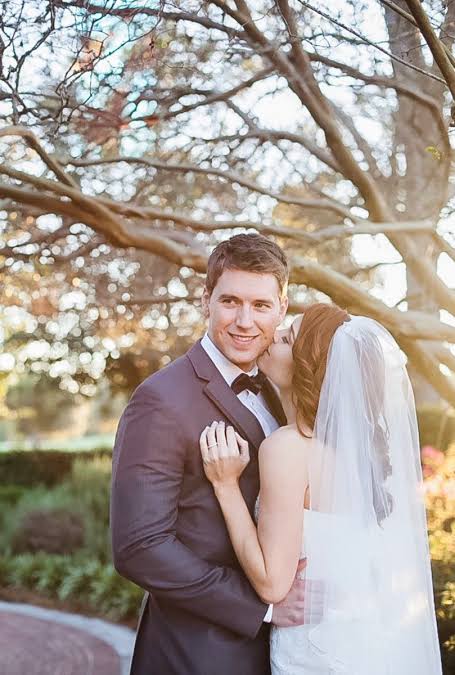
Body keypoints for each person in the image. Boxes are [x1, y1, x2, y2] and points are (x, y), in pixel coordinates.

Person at [200, 303, 442, 674]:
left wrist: (225, 485)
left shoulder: (288, 448)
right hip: (371, 641)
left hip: (318, 652)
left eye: (289, 337)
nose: (275, 334)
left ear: (309, 367)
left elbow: (271, 584)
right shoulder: (365, 456)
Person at [111, 233, 308, 675]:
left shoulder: (283, 387)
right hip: (196, 651)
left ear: (282, 307)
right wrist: (262, 609)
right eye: (230, 301)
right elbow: (140, 547)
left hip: (286, 650)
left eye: (260, 305)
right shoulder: (160, 400)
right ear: (206, 301)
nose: (244, 320)